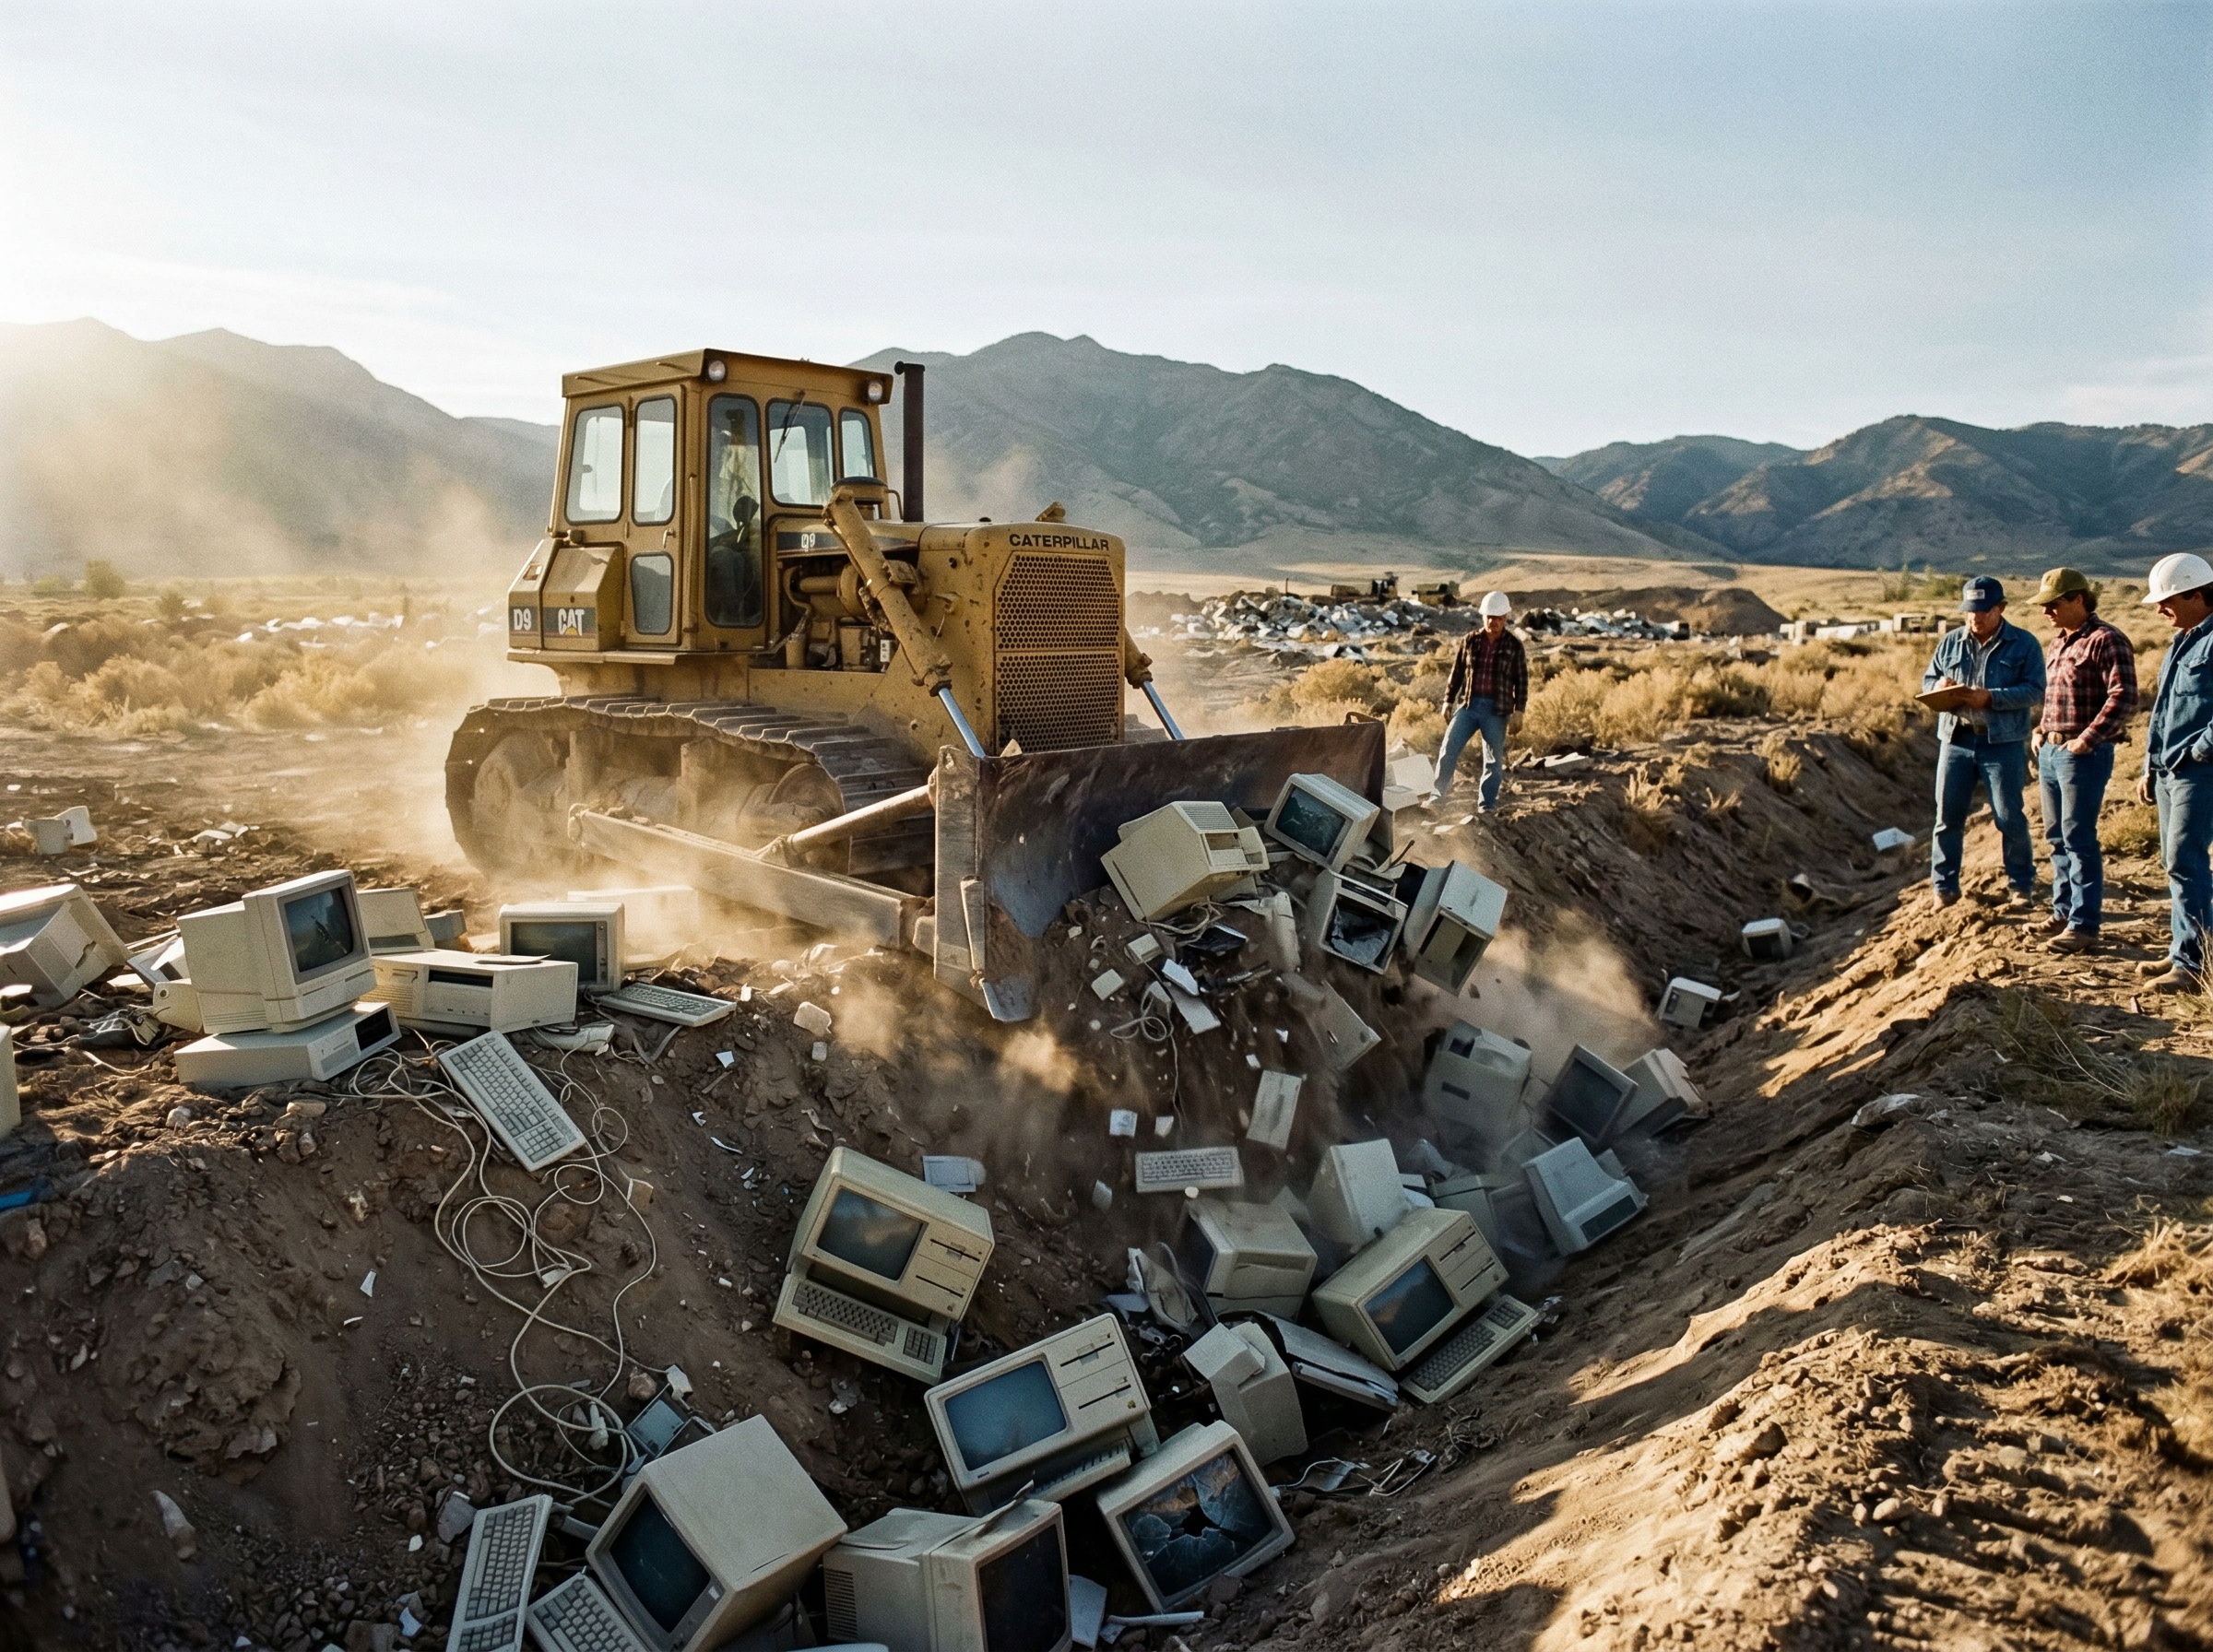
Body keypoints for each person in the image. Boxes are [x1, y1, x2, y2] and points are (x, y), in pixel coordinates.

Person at [1922, 576, 2046, 910]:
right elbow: (1928, 679)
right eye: (1969, 611)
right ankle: (1944, 888)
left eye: (1982, 610)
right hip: (1956, 740)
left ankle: (2021, 887)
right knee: (1947, 818)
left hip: (2001, 743)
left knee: (2009, 817)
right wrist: (1940, 686)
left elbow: (2035, 690)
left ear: (2000, 609)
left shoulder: (2024, 644)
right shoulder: (1950, 643)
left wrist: (1990, 698)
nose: (1974, 618)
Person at [2031, 567, 2137, 953]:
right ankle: (2064, 912)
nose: (2047, 612)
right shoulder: (2058, 643)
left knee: (2079, 839)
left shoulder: (2106, 640)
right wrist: (2041, 731)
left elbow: (2124, 696)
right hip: (2051, 751)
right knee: (2057, 838)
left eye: (2053, 604)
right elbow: (2053, 696)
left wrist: (2087, 740)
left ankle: (2084, 924)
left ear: (2079, 599)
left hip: (2081, 755)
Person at [2135, 552, 2213, 991]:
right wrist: (2150, 766)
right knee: (2175, 862)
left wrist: (2200, 752)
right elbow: (2162, 713)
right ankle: (2182, 951)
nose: (2160, 609)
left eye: (2167, 601)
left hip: (2199, 772)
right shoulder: (2182, 641)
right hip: (2169, 771)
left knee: (2186, 860)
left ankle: (2195, 965)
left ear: (2197, 595)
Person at [1434, 590, 1528, 813]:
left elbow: (1521, 680)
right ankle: (1437, 800)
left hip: (1497, 710)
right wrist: (1448, 701)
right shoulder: (1470, 641)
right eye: (1489, 617)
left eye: (1498, 618)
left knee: (1493, 760)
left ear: (1505, 618)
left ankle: (1487, 806)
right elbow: (1456, 673)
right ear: (1483, 616)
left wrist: (1519, 711)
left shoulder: (1514, 646)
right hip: (1469, 705)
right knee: (1448, 751)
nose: (1493, 622)